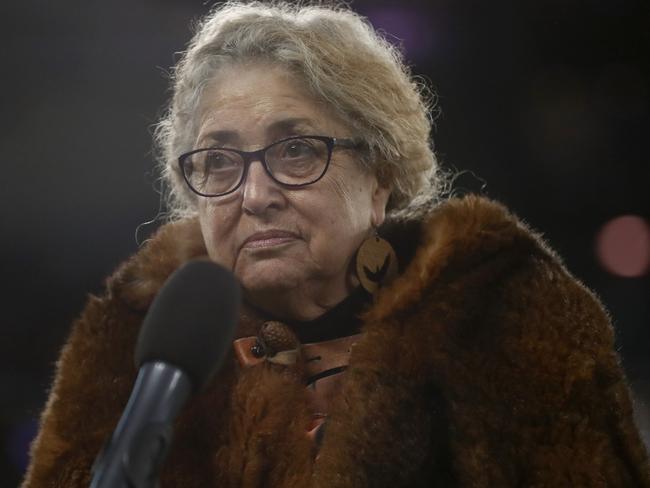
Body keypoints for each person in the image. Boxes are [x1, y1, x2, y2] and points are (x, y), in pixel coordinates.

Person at [22, 2, 649, 487]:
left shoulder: (501, 321)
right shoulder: (130, 347)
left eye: (296, 150)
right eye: (218, 161)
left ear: (380, 177)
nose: (254, 193)